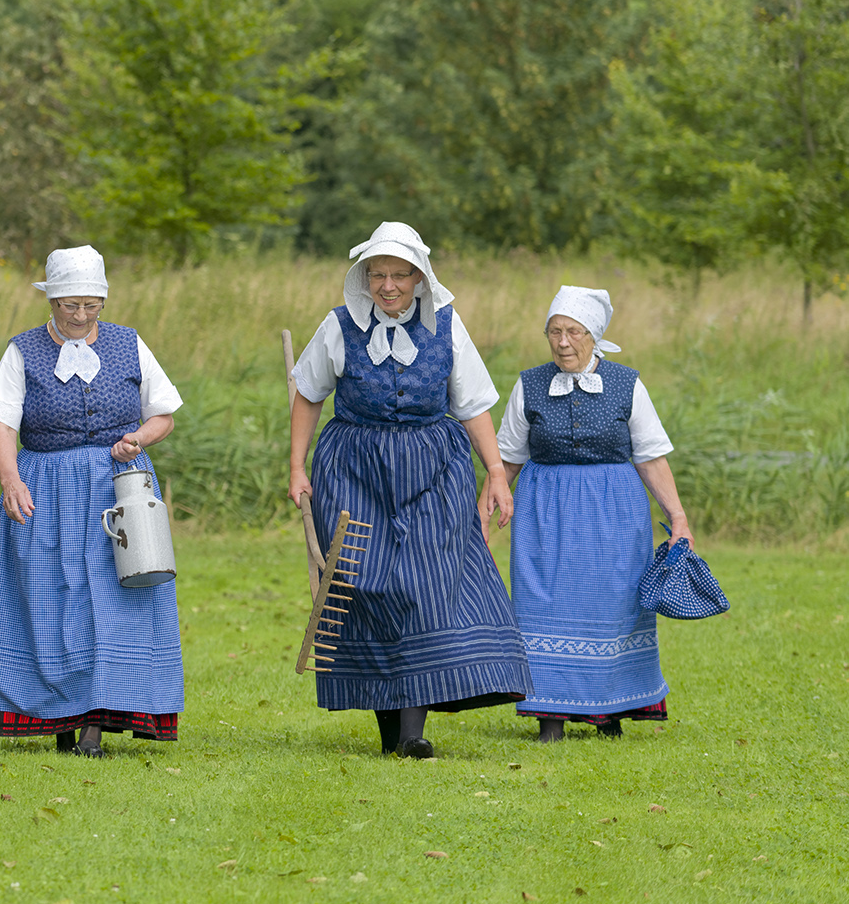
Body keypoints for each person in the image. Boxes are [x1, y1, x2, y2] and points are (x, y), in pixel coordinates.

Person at [287, 221, 532, 759]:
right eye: (378, 274)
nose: (389, 285)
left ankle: (414, 732)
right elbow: (307, 394)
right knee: (365, 587)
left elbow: (471, 404)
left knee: (425, 588)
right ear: (364, 277)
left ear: (420, 278)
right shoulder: (337, 327)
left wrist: (494, 471)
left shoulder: (448, 326)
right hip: (355, 467)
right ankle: (389, 728)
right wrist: (297, 466)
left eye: (400, 275)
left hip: (433, 468)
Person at [0, 246, 185, 758]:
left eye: (91, 306)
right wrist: (9, 479)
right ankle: (60, 721)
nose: (81, 316)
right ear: (51, 300)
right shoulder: (22, 351)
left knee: (117, 599)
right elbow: (3, 427)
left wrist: (138, 438)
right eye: (70, 306)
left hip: (120, 489)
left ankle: (96, 723)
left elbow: (164, 415)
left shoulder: (130, 345)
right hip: (43, 487)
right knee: (49, 598)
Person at [498, 286, 687, 742]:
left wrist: (678, 517)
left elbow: (651, 457)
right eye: (554, 332)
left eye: (574, 332)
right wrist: (490, 504)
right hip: (545, 511)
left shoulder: (627, 384)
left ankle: (612, 712)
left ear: (594, 335)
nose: (563, 342)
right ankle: (550, 718)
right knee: (540, 603)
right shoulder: (529, 384)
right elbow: (505, 458)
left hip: (615, 512)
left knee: (615, 606)